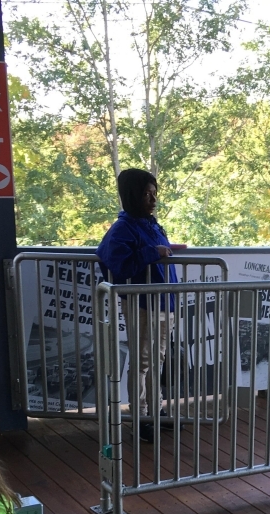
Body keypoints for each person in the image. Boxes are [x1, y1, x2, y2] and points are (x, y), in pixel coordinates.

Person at [95, 169, 177, 444]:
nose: (153, 200)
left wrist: (165, 249)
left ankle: (156, 409)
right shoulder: (123, 228)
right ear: (132, 196)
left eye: (155, 194)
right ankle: (140, 416)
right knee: (142, 362)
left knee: (158, 360)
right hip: (143, 303)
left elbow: (153, 252)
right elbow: (114, 261)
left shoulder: (150, 224)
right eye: (146, 194)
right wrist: (152, 253)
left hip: (165, 302)